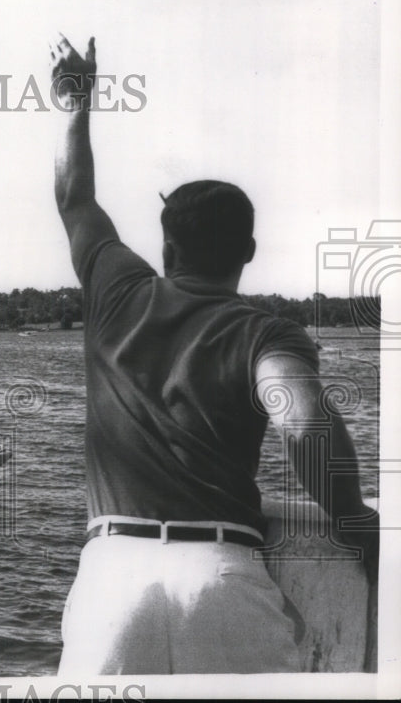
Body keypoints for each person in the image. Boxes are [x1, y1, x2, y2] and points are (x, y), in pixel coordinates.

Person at [50, 34, 378, 674]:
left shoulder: (118, 290)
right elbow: (303, 423)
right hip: (222, 580)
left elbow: (75, 199)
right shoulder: (265, 332)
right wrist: (352, 520)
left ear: (166, 247)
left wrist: (75, 101)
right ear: (248, 252)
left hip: (111, 581)